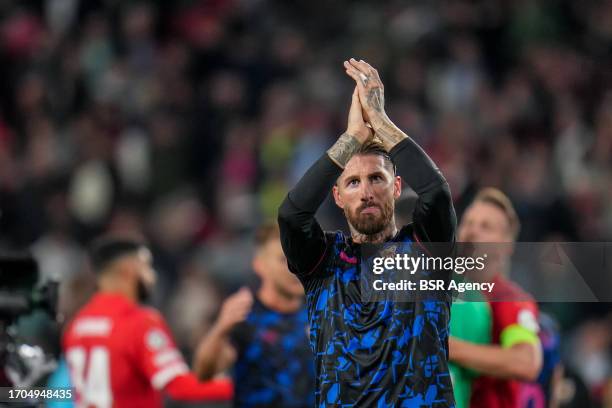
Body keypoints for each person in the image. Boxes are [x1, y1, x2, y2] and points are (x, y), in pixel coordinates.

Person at [278, 58, 457, 406]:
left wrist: (380, 121)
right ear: (338, 196)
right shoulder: (322, 261)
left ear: (396, 187)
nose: (366, 191)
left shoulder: (425, 252)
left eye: (377, 178)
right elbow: (292, 214)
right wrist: (353, 137)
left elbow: (436, 193)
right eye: (353, 182)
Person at [63, 237, 233, 408]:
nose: (152, 276)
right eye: (146, 267)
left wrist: (36, 392)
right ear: (127, 271)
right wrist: (240, 387)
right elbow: (178, 386)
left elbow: (69, 392)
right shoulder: (140, 322)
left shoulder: (76, 326)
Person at [193, 223, 315, 407]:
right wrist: (221, 328)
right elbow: (205, 372)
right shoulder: (245, 317)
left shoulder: (321, 312)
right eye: (284, 260)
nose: (295, 267)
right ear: (260, 266)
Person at [449, 188, 543, 408]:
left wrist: (446, 347)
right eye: (468, 223)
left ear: (506, 245)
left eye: (485, 227)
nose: (472, 231)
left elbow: (526, 362)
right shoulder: (439, 287)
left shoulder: (510, 300)